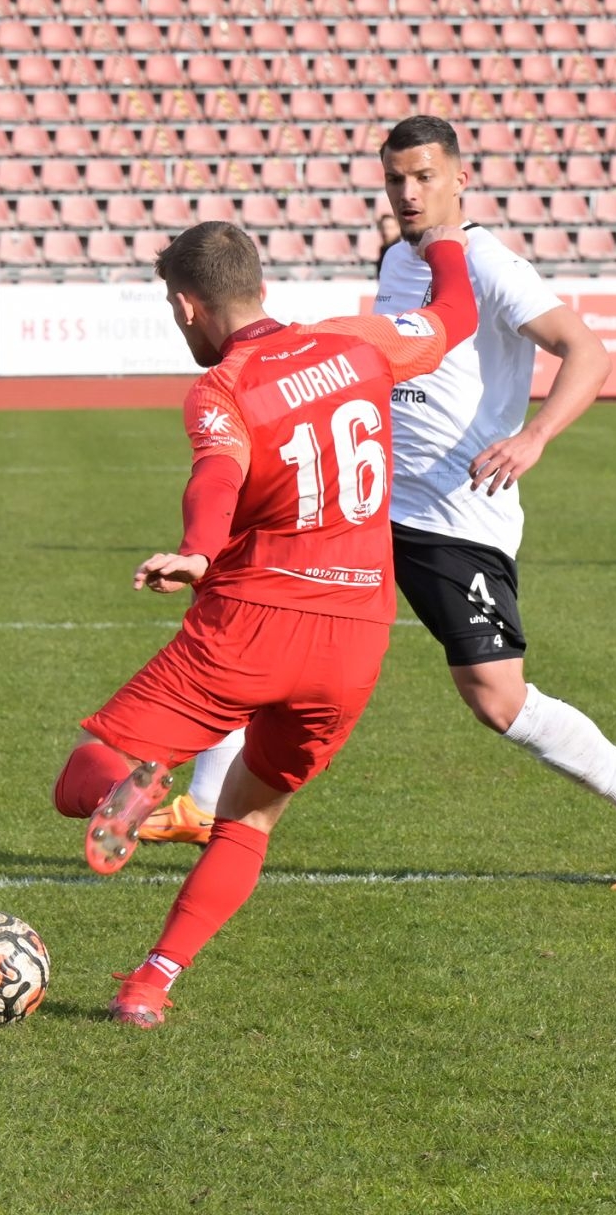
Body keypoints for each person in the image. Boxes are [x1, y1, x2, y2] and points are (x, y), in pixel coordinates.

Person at [150, 115, 616, 896]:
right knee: (252, 610)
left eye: (423, 177)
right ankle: (207, 804)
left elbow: (589, 351)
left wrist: (535, 435)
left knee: (495, 697)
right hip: (372, 503)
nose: (407, 193)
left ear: (459, 178)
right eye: (395, 179)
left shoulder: (488, 263)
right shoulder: (399, 259)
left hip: (456, 514)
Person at [49, 219, 477, 1027]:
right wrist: (444, 243)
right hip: (355, 640)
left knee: (84, 772)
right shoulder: (360, 343)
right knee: (248, 818)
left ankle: (124, 796)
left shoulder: (225, 386)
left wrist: (198, 552)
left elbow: (217, 474)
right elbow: (456, 314)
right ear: (260, 286)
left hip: (251, 627)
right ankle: (150, 985)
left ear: (187, 306)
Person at [373, 212, 402, 278]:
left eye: (390, 228)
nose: (386, 231)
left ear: (398, 229)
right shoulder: (383, 249)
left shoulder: (401, 250)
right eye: (383, 228)